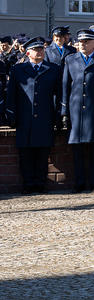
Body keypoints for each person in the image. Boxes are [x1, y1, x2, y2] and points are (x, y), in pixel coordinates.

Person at [60, 29, 94, 193]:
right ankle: (79, 182)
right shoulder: (70, 59)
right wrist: (64, 112)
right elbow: (65, 87)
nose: (83, 44)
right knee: (76, 148)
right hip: (75, 110)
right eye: (81, 42)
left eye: (86, 42)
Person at [6, 37, 62, 194]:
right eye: (36, 50)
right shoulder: (17, 70)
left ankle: (40, 183)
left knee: (43, 152)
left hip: (45, 117)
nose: (40, 52)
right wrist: (11, 116)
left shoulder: (54, 69)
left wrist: (58, 116)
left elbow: (59, 94)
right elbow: (11, 95)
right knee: (25, 152)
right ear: (28, 53)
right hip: (25, 118)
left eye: (42, 49)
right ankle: (28, 183)